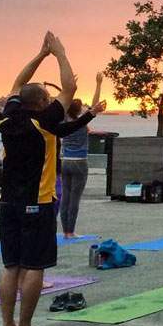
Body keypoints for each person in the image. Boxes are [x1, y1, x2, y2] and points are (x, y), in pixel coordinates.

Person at [0, 32, 77, 326]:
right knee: (34, 266)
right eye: (47, 98)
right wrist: (59, 52)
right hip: (37, 203)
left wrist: (41, 54)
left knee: (11, 266)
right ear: (42, 103)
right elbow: (69, 88)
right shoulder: (44, 122)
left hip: (8, 204)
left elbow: (17, 84)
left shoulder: (9, 116)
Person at [58, 72, 105, 239]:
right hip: (80, 162)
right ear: (79, 110)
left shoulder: (62, 120)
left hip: (65, 162)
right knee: (75, 199)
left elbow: (61, 103)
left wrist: (68, 89)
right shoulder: (81, 122)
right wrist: (98, 83)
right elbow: (95, 106)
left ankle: (65, 231)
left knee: (65, 197)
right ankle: (71, 231)